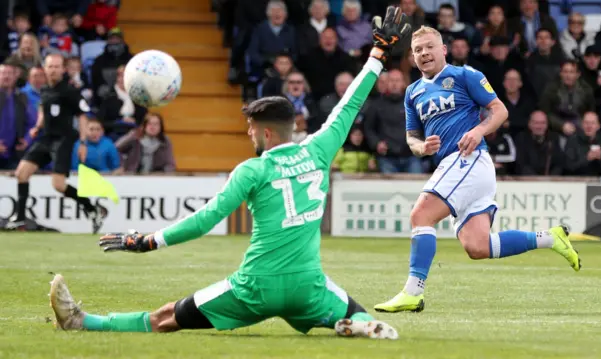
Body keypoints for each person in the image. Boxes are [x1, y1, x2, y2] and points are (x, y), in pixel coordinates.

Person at [47, 6, 411, 340]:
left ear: (266, 132)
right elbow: (350, 104)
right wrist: (378, 54)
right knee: (357, 312)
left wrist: (149, 240)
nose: (249, 133)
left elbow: (206, 219)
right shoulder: (320, 149)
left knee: (166, 318)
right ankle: (351, 325)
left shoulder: (253, 169)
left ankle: (83, 320)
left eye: (252, 127)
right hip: (308, 288)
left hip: (255, 288)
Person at [374, 25, 582, 314]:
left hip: (468, 160)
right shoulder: (413, 92)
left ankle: (413, 292)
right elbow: (411, 137)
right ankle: (550, 238)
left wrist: (478, 131)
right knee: (477, 247)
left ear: (443, 50)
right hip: (455, 166)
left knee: (420, 215)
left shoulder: (464, 75)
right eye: (417, 50)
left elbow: (500, 110)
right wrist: (421, 148)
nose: (424, 53)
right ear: (412, 57)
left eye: (429, 47)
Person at [6, 53, 108, 233]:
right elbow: (43, 110)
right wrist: (37, 126)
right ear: (45, 68)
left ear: (63, 69)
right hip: (46, 138)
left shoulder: (70, 91)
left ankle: (93, 209)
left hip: (63, 139)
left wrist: (83, 143)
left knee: (58, 185)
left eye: (56, 66)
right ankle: (20, 219)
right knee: (22, 173)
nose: (53, 70)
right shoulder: (45, 89)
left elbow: (83, 115)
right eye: (50, 66)